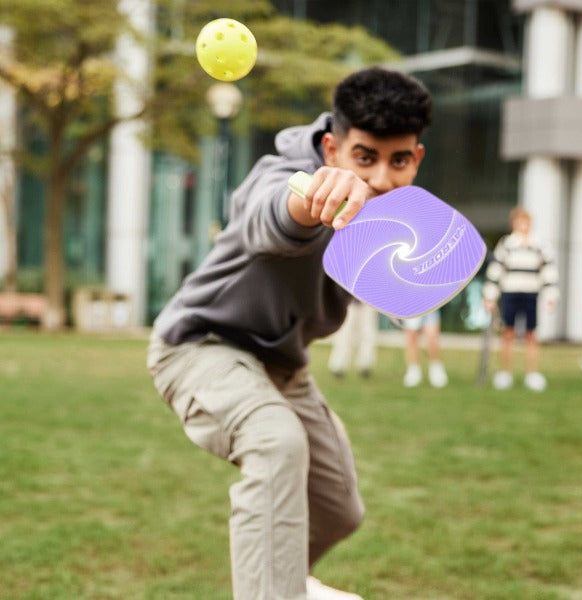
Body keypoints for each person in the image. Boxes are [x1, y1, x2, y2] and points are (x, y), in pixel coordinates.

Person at [147, 67, 431, 600]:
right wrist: (315, 199)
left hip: (285, 367)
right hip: (200, 346)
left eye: (399, 160)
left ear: (416, 157)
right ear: (332, 147)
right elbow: (271, 214)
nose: (381, 178)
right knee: (275, 442)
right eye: (364, 157)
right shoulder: (284, 173)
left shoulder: (394, 216)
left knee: (338, 508)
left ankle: (284, 585)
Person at [482, 206, 559, 392]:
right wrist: (490, 296)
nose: (523, 225)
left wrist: (550, 296)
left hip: (531, 293)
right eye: (519, 221)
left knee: (531, 334)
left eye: (526, 221)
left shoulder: (539, 245)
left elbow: (548, 272)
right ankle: (505, 373)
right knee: (507, 333)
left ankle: (532, 374)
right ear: (514, 224)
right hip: (510, 293)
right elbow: (496, 272)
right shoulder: (507, 244)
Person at [327, 300, 378, 378]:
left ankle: (365, 365)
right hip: (348, 301)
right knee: (344, 334)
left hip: (368, 301)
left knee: (367, 334)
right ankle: (339, 366)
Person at [398, 310, 448, 388]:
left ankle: (435, 368)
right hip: (410, 306)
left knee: (432, 337)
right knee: (412, 337)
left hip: (430, 305)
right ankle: (413, 371)